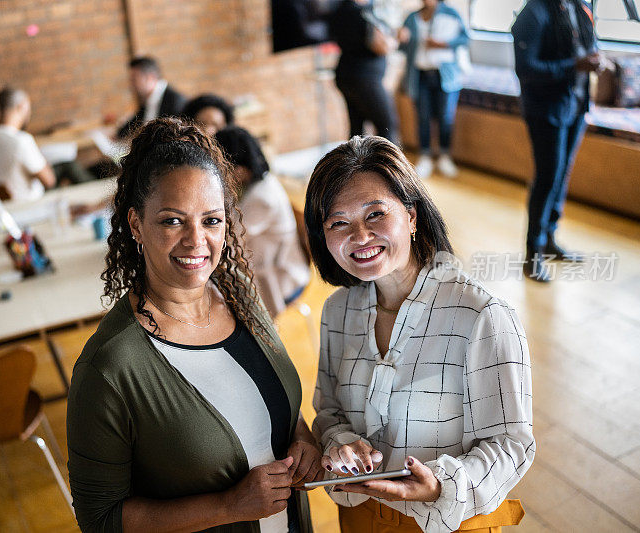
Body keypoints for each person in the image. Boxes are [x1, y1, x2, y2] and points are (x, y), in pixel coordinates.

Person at [66, 118, 321, 532]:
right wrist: (228, 506)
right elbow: (101, 519)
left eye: (211, 220)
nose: (196, 241)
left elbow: (271, 401)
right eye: (172, 220)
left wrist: (302, 436)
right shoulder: (111, 369)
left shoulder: (240, 294)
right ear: (136, 225)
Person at [304, 136, 534, 532]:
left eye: (375, 214)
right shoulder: (337, 311)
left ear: (412, 217)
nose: (359, 237)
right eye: (338, 223)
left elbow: (512, 444)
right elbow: (329, 411)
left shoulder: (480, 314)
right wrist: (340, 444)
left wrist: (439, 486)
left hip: (448, 522)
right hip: (358, 516)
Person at [511, 0, 598, 282]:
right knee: (547, 177)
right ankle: (532, 255)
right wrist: (575, 65)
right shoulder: (533, 13)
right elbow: (527, 68)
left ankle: (549, 238)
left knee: (562, 175)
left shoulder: (579, 7)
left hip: (576, 104)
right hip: (547, 109)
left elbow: (584, 47)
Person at [215, 126, 310, 318]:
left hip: (279, 277)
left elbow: (228, 239)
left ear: (240, 170)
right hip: (263, 265)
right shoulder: (257, 184)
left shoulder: (261, 197)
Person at [398, 0, 469, 179]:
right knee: (423, 117)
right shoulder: (412, 18)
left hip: (444, 76)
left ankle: (444, 156)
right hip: (420, 75)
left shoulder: (451, 13)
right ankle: (425, 156)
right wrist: (401, 38)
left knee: (445, 117)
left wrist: (443, 44)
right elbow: (402, 47)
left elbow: (465, 38)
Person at [328, 0, 400, 145]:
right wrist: (396, 40)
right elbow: (381, 46)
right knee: (387, 125)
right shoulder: (361, 13)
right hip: (364, 78)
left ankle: (353, 167)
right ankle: (387, 168)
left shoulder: (340, 9)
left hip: (346, 75)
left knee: (356, 131)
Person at [0, 86, 56, 201]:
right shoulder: (22, 141)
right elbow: (49, 181)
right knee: (67, 167)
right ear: (22, 106)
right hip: (27, 205)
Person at [115, 57, 187, 140]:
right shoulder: (148, 98)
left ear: (150, 77)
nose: (131, 84)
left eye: (134, 79)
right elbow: (132, 124)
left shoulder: (175, 102)